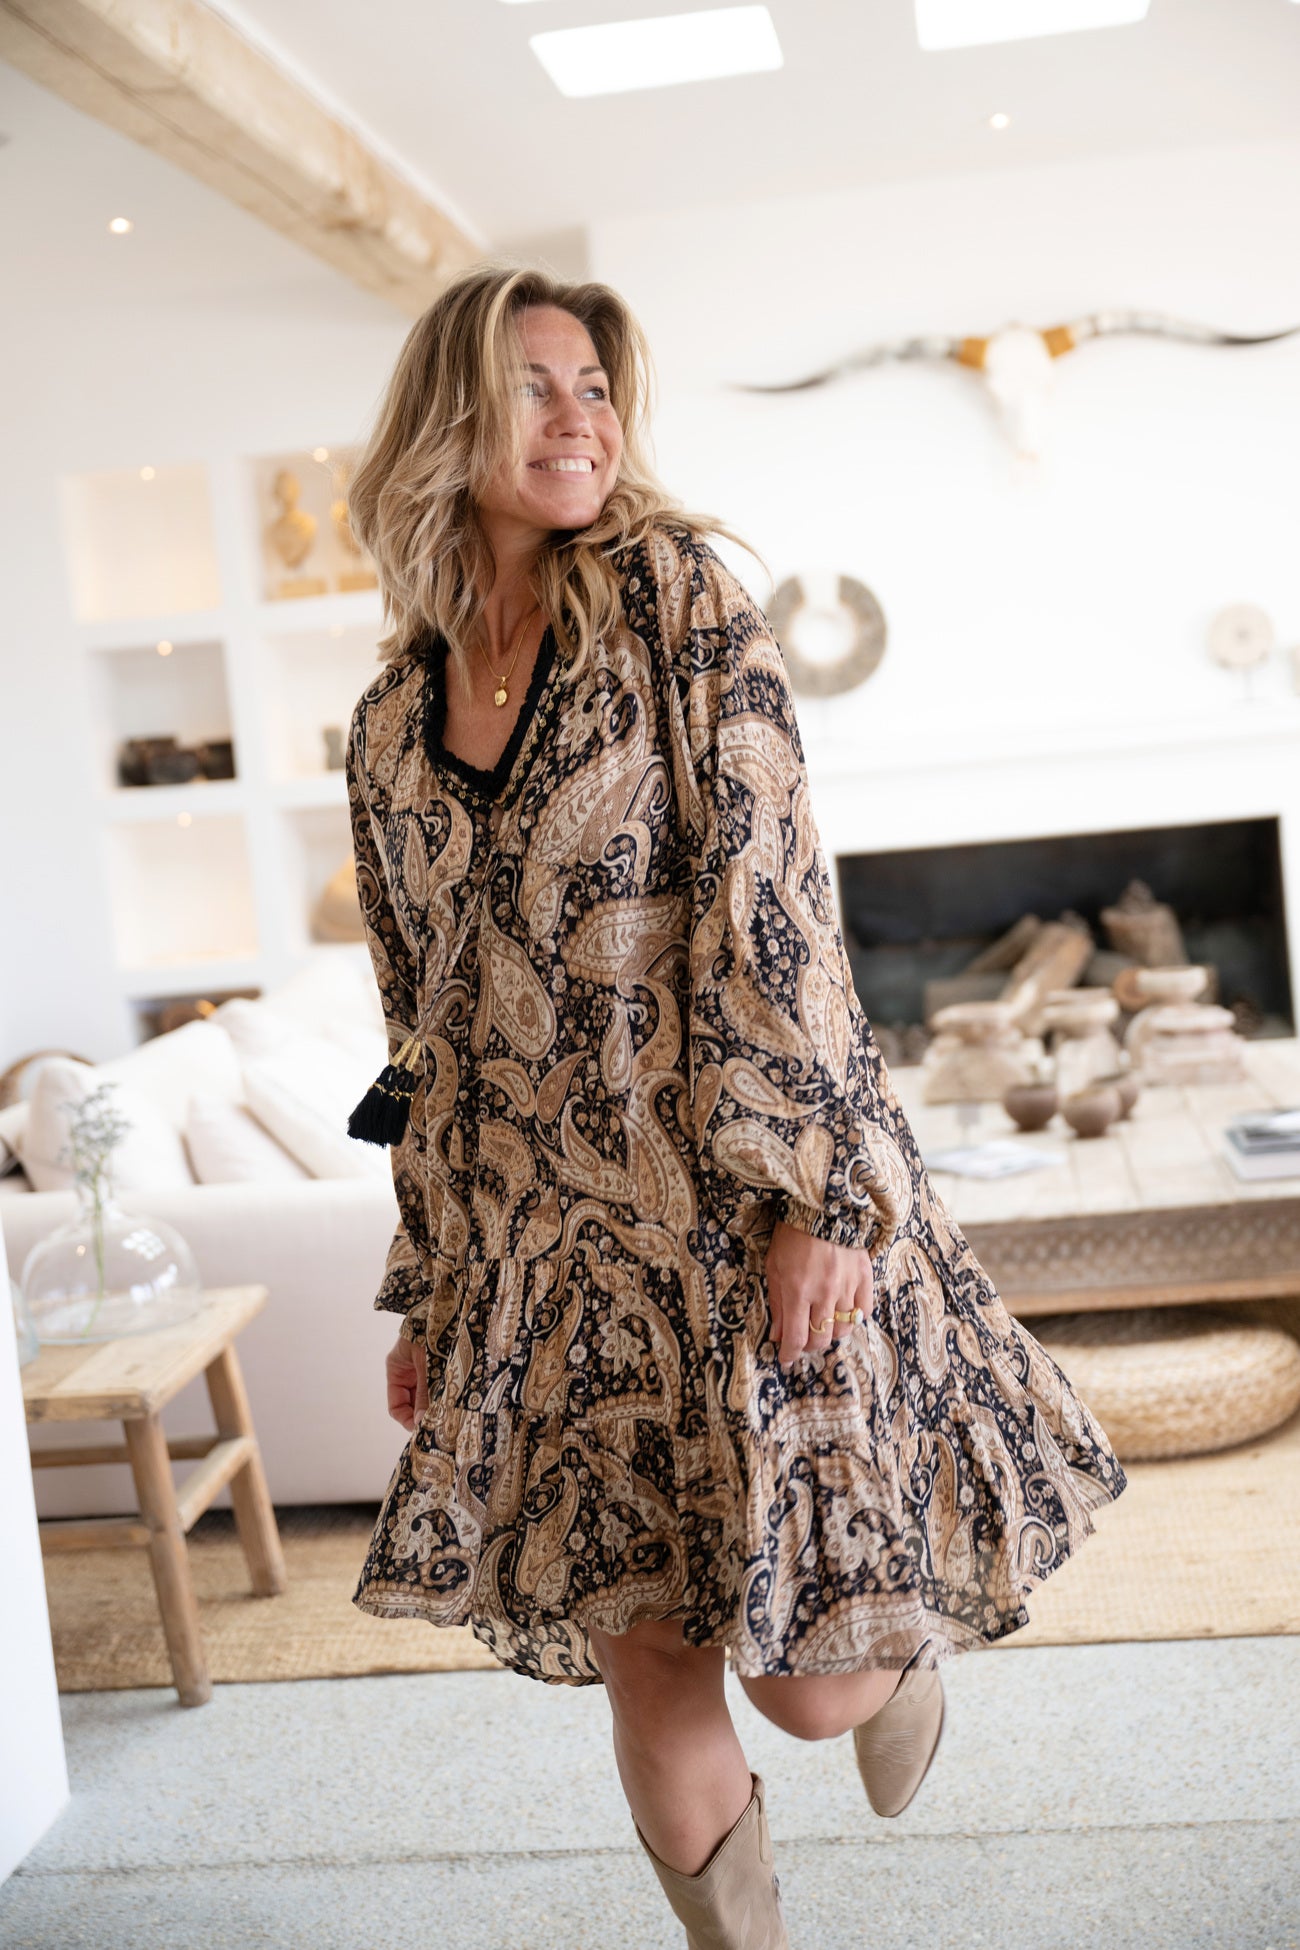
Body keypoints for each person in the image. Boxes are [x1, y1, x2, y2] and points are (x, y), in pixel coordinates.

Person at [342, 261, 1127, 1948]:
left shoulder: (676, 600)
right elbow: (421, 1032)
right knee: (648, 1652)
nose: (580, 417)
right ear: (448, 416)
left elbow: (777, 902)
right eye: (536, 384)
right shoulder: (392, 722)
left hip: (729, 1202)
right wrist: (429, 1283)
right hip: (546, 1263)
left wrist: (822, 1194)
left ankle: (898, 1654)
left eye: (596, 387)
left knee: (809, 1687)